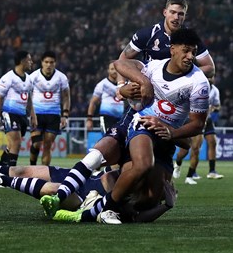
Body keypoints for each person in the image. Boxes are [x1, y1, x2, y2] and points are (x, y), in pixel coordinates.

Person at [42, 28, 208, 225]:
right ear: (172, 49)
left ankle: (102, 196)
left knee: (150, 199)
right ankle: (92, 209)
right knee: (140, 164)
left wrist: (171, 132)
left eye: (194, 52)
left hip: (165, 138)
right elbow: (120, 63)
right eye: (186, 50)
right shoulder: (153, 67)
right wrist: (141, 81)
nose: (190, 56)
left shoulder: (199, 83)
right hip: (142, 125)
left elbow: (198, 125)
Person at [0, 151, 175, 223]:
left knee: (55, 189)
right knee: (23, 170)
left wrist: (167, 206)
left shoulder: (151, 186)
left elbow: (135, 217)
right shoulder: (137, 145)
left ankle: (1, 180)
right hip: (85, 177)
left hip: (86, 200)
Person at [120, 0, 215, 77]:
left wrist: (185, 77)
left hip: (176, 88)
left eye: (181, 14)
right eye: (172, 12)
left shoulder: (191, 38)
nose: (176, 17)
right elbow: (122, 60)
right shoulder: (147, 34)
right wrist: (121, 85)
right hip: (150, 83)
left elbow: (210, 68)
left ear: (185, 16)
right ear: (165, 12)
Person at [175, 74, 223, 183]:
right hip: (194, 120)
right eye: (209, 77)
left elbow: (217, 105)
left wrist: (214, 108)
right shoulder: (196, 87)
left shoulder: (215, 90)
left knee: (212, 142)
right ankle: (178, 162)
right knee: (189, 148)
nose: (211, 79)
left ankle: (206, 172)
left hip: (207, 119)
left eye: (212, 77)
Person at [0, 50, 36, 167]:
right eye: (29, 60)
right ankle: (10, 174)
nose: (31, 62)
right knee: (16, 143)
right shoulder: (7, 78)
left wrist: (33, 115)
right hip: (9, 113)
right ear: (22, 61)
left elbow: (29, 98)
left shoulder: (29, 79)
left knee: (11, 145)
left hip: (22, 115)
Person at [27, 50, 70, 166]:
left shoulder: (61, 77)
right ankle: (32, 166)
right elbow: (27, 96)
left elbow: (66, 97)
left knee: (47, 145)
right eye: (46, 62)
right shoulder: (33, 77)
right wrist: (29, 113)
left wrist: (65, 115)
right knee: (36, 144)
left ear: (55, 63)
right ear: (42, 63)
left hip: (54, 115)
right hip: (37, 114)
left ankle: (44, 173)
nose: (49, 65)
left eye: (51, 62)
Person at [86, 64, 125, 134]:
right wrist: (89, 119)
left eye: (116, 69)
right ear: (108, 71)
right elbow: (93, 102)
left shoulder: (124, 85)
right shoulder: (102, 84)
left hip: (122, 118)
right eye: (112, 69)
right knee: (108, 139)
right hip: (106, 117)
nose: (114, 71)